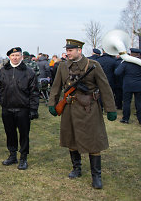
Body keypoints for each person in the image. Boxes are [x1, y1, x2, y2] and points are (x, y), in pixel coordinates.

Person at [48, 39, 117, 189]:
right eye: (67, 50)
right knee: (71, 139)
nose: (68, 53)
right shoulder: (62, 67)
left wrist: (110, 108)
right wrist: (52, 104)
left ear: (79, 50)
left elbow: (105, 88)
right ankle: (76, 168)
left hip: (89, 109)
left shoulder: (93, 66)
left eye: (71, 50)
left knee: (93, 142)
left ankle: (96, 176)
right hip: (69, 108)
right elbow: (56, 86)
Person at [0, 47, 39, 170]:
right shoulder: (4, 71)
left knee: (24, 134)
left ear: (21, 56)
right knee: (10, 133)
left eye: (17, 55)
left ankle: (23, 157)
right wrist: (2, 101)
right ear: (9, 57)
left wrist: (33, 109)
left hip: (23, 109)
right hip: (7, 108)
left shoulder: (29, 72)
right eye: (13, 55)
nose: (15, 58)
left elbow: (34, 92)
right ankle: (12, 155)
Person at [114, 48, 141, 124]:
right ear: (138, 54)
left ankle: (125, 119)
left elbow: (117, 72)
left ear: (131, 54)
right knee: (139, 103)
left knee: (126, 102)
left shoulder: (126, 62)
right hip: (139, 85)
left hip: (128, 85)